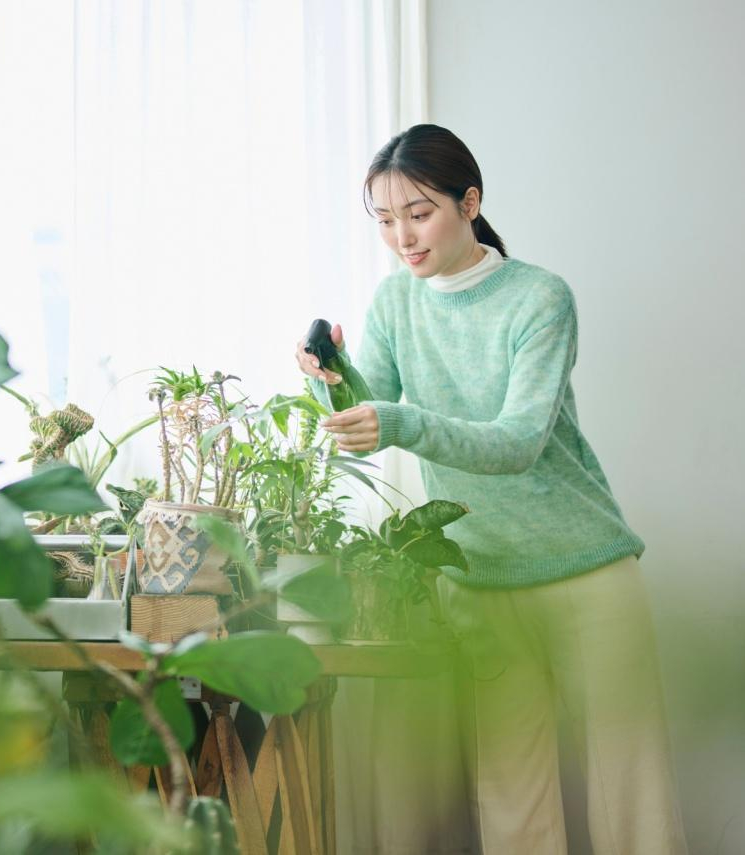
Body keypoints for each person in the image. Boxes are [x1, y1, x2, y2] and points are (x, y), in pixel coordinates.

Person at [295, 123, 689, 855]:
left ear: (469, 201)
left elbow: (517, 441)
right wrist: (331, 381)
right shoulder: (395, 303)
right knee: (511, 798)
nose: (402, 237)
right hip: (475, 577)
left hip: (587, 570)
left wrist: (394, 420)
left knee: (630, 793)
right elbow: (371, 410)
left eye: (419, 214)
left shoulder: (540, 298)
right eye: (385, 220)